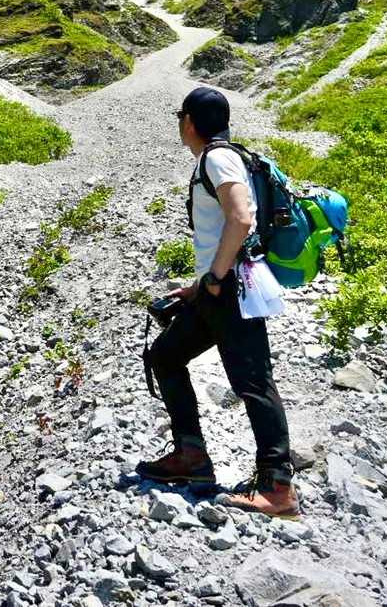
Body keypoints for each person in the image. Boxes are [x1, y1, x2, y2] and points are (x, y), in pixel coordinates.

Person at [134, 86, 298, 517]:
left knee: (253, 381)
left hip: (228, 290)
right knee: (166, 355)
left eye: (180, 118)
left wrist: (216, 278)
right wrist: (198, 286)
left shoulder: (217, 159)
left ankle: (277, 488)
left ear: (189, 122)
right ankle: (190, 456)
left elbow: (241, 218)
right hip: (216, 290)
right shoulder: (225, 157)